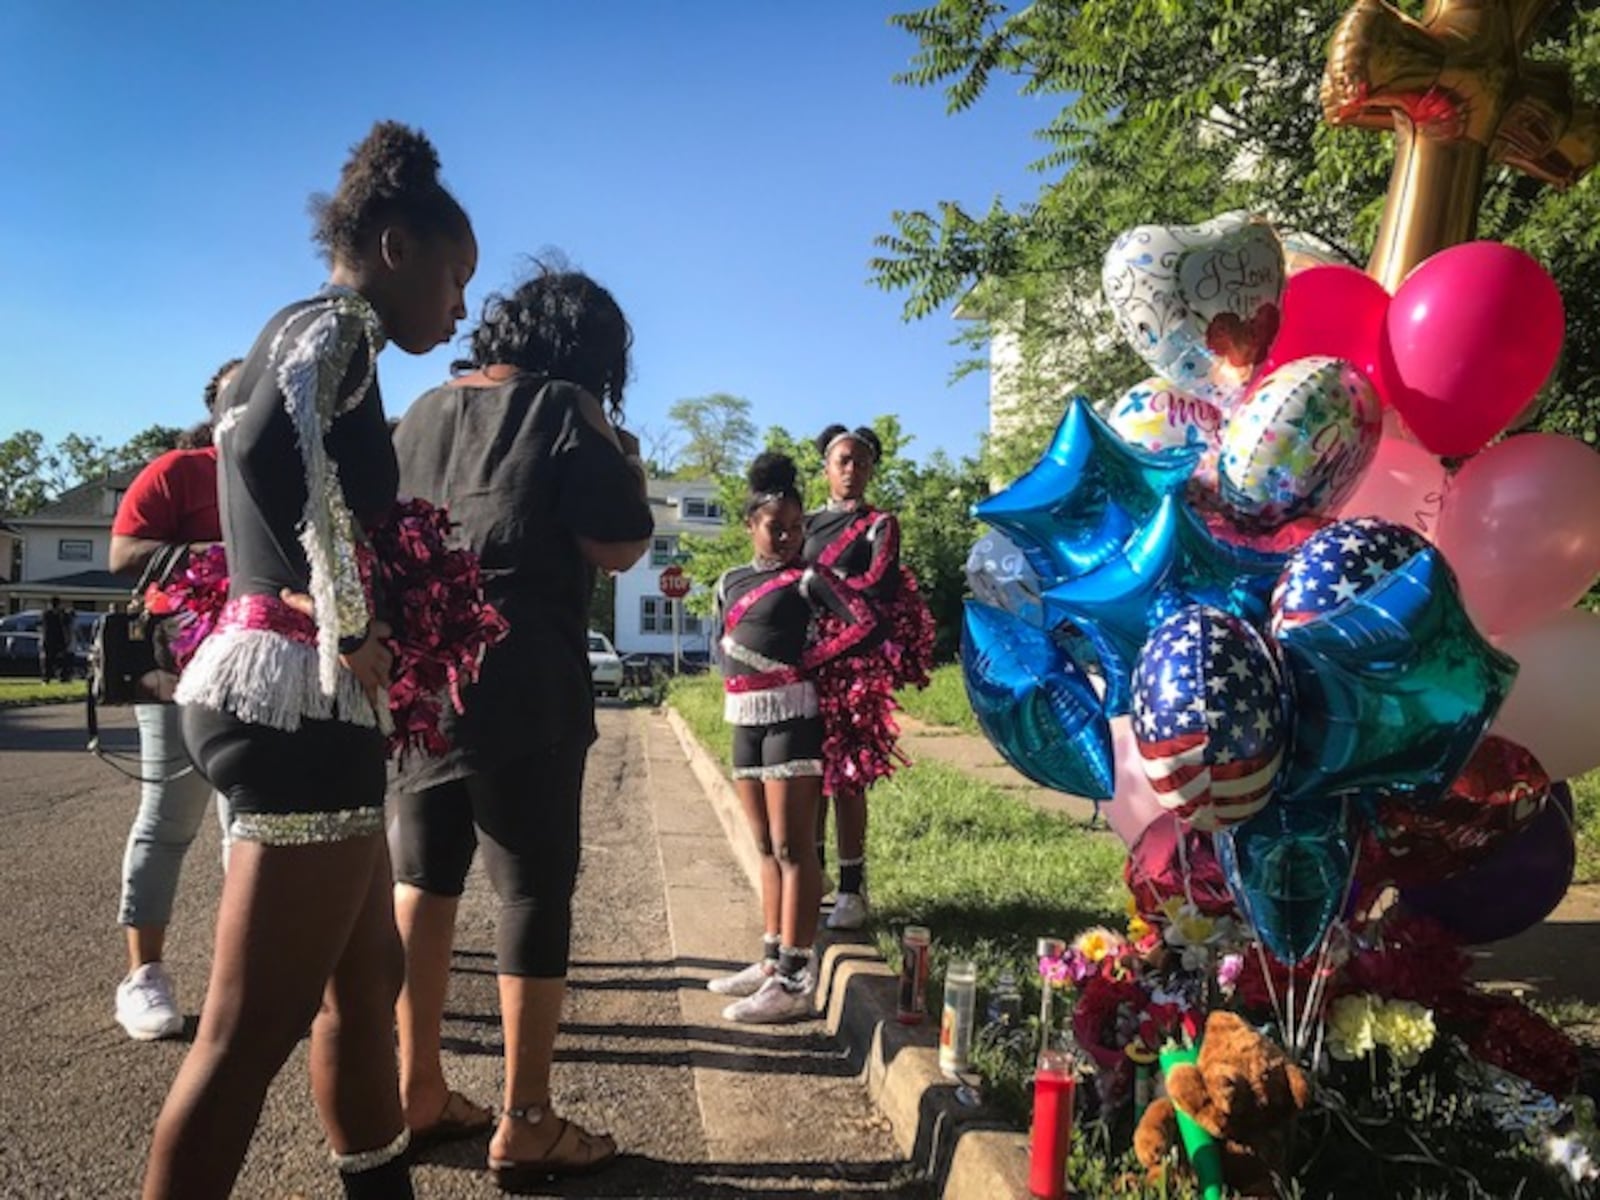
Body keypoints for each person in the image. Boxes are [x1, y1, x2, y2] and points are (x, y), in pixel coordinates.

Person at [146, 121, 476, 1200]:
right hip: (298, 694)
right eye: (454, 277)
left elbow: (270, 448)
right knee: (248, 1033)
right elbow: (254, 448)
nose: (459, 307)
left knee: (365, 981)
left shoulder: (295, 329)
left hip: (276, 688)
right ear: (396, 248)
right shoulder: (340, 329)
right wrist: (338, 614)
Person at [389, 264, 653, 1186]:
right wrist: (624, 458)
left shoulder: (420, 410)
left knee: (421, 882)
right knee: (532, 892)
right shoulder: (564, 407)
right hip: (526, 676)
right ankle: (526, 1120)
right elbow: (618, 544)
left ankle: (416, 1089)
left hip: (425, 678)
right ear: (586, 352)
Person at [707, 452, 876, 1022]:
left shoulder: (808, 579)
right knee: (762, 847)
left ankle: (797, 979)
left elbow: (863, 622)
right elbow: (718, 644)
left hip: (793, 718)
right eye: (776, 527)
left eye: (798, 527)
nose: (788, 536)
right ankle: (771, 956)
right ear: (750, 525)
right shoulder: (728, 580)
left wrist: (808, 661)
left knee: (793, 846)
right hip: (743, 720)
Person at [107, 356, 240, 1042]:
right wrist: (214, 557)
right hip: (177, 663)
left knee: (244, 830)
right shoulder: (177, 472)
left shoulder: (289, 478)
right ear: (217, 408)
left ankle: (240, 974)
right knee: (169, 816)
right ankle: (144, 975)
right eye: (237, 393)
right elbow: (122, 553)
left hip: (261, 669)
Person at [802, 424, 920, 932]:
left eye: (861, 462)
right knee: (807, 776)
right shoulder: (803, 523)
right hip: (804, 661)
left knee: (847, 778)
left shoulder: (880, 525)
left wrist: (819, 584)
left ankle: (852, 888)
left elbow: (877, 584)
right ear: (826, 467)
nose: (852, 471)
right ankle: (813, 875)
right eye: (843, 461)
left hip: (853, 665)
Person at [39, 596, 70, 682]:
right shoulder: (46, 614)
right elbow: (45, 628)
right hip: (49, 641)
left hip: (59, 641)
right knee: (47, 661)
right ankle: (46, 678)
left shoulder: (62, 614)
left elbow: (66, 625)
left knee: (61, 661)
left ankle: (63, 677)